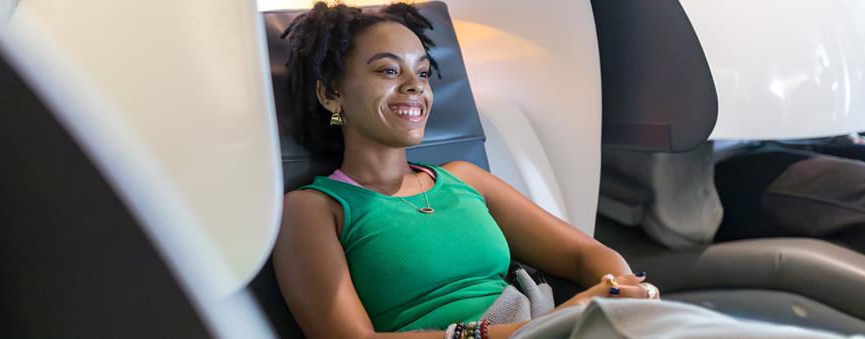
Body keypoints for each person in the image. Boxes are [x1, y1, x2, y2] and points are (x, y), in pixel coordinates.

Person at [270, 3, 658, 338]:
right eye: (388, 71)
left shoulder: (466, 179)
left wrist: (618, 290)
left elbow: (584, 254)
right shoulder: (313, 209)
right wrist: (551, 325)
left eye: (422, 73)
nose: (414, 87)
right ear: (330, 93)